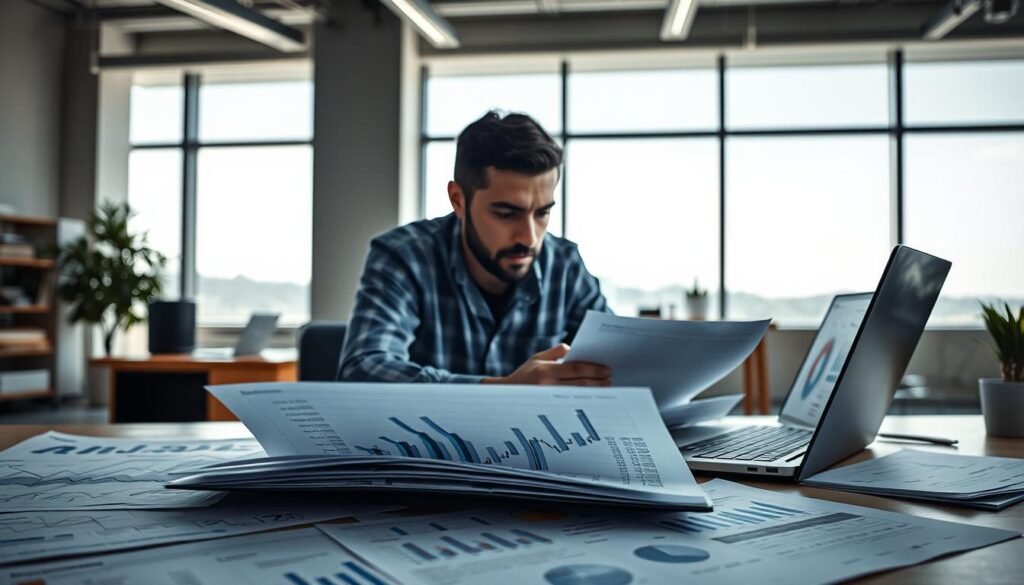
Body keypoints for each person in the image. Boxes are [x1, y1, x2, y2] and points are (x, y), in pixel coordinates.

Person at [339, 111, 610, 386]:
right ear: (458, 200)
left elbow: (618, 362)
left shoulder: (565, 266)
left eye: (542, 213)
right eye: (506, 213)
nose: (529, 238)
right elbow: (363, 370)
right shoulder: (404, 257)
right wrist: (504, 390)